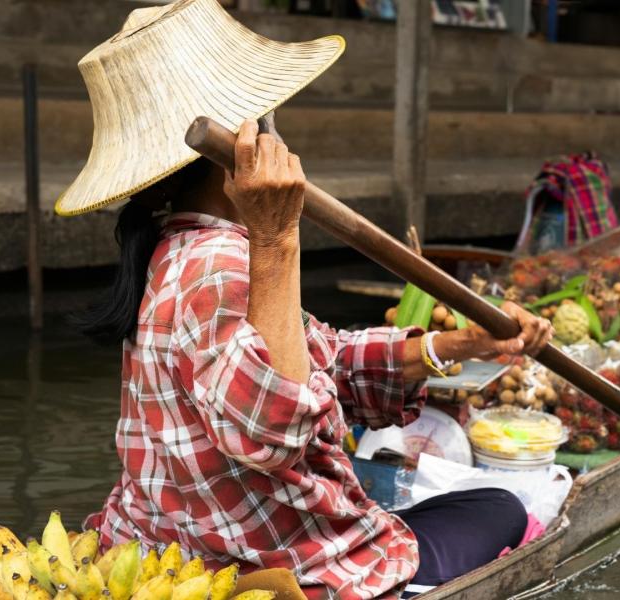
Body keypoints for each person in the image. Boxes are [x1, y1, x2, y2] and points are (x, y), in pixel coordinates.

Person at [56, 3, 553, 598]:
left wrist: (461, 345)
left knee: (459, 503)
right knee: (499, 506)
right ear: (249, 145)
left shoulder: (177, 247)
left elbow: (327, 360)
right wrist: (277, 235)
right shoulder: (222, 263)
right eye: (271, 121)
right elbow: (273, 434)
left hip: (182, 548)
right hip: (268, 572)